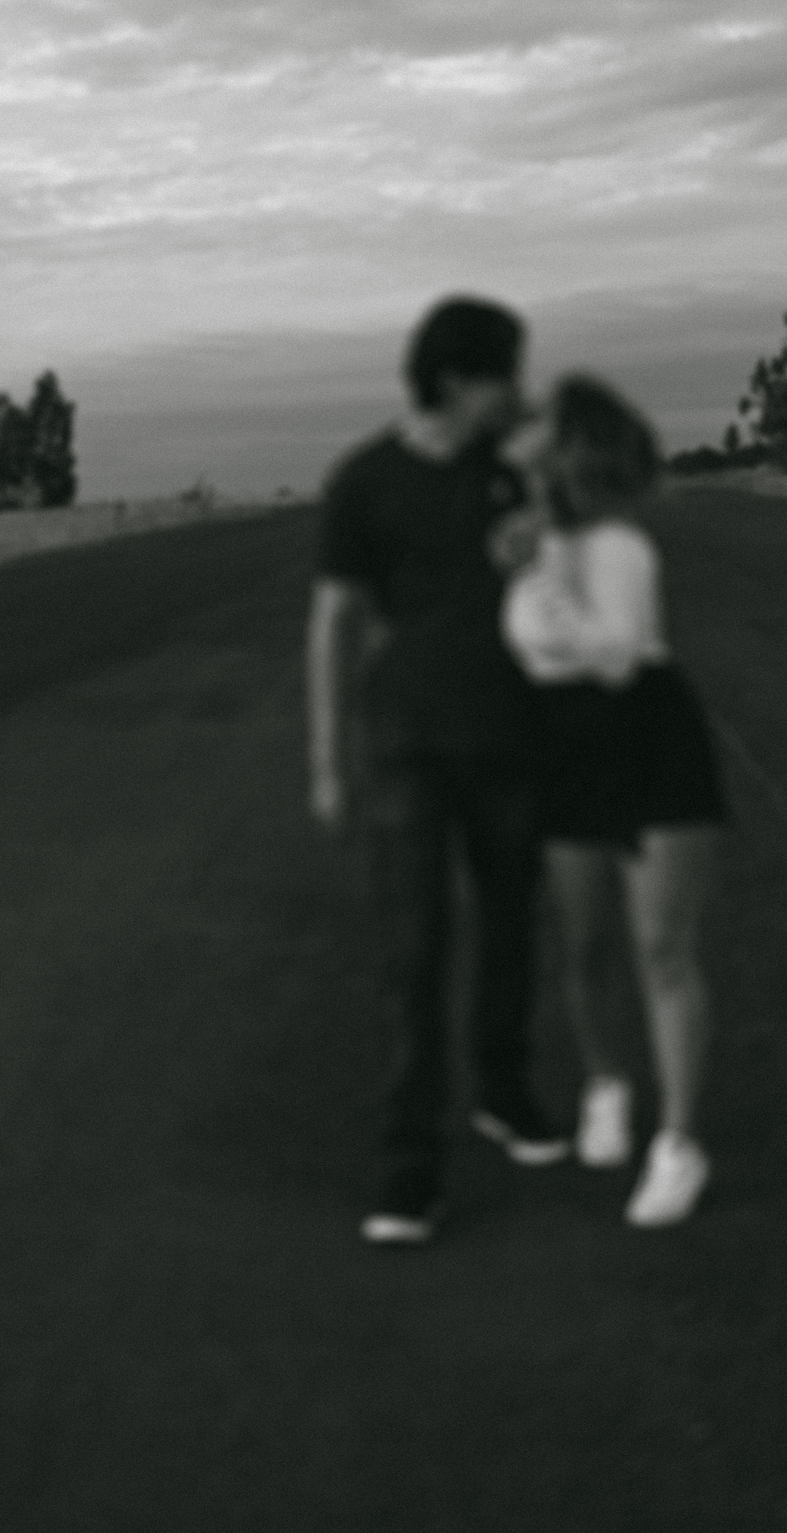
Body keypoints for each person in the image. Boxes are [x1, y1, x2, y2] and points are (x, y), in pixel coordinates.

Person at [307, 297, 567, 1246]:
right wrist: (328, 759)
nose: (520, 389)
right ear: (459, 379)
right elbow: (334, 623)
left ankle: (504, 1090)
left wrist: (535, 490)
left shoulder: (513, 471)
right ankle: (409, 1165)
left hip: (512, 740)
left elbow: (562, 551)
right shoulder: (364, 482)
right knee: (414, 953)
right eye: (507, 374)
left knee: (511, 931)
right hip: (407, 748)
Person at [497, 374, 727, 1228]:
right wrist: (531, 555)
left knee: (662, 947)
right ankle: (607, 1085)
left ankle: (679, 1144)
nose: (525, 433)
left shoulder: (617, 546)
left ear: (571, 450)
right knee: (584, 942)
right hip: (564, 749)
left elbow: (618, 660)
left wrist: (547, 577)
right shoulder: (531, 537)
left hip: (649, 742)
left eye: (544, 426)